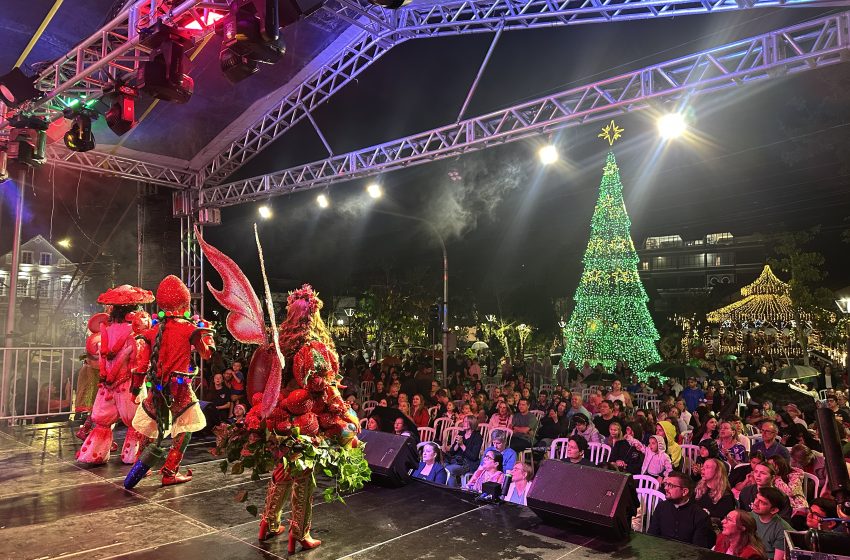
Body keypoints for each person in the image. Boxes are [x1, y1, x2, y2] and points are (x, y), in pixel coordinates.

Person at [127, 277, 215, 487]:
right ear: (185, 304)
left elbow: (141, 366)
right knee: (186, 427)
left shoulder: (153, 331)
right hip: (180, 388)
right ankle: (169, 471)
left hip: (156, 387)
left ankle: (141, 466)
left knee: (150, 425)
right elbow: (206, 354)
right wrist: (208, 335)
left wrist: (135, 389)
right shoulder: (189, 329)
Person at [78, 285, 154, 466]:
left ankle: (94, 453)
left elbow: (101, 355)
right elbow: (139, 360)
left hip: (107, 384)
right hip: (127, 383)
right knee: (135, 421)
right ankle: (131, 455)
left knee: (102, 422)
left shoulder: (106, 329)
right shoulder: (135, 334)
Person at [648, 471, 715, 548]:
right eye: (666, 484)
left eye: (670, 485)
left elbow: (698, 550)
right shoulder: (661, 507)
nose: (665, 488)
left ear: (684, 491)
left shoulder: (700, 515)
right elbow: (652, 536)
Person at [750, 487, 792, 560]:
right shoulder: (752, 515)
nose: (755, 503)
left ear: (773, 510)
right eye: (756, 498)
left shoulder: (782, 529)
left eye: (762, 502)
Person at [445, 415, 483, 488]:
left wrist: (462, 445)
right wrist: (458, 444)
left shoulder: (477, 437)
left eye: (466, 422)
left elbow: (473, 457)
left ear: (472, 423)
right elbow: (452, 451)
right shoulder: (461, 433)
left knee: (449, 469)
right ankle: (453, 486)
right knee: (443, 466)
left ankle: (453, 491)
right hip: (457, 460)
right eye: (463, 421)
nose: (463, 423)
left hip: (468, 464)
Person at [695, 458, 736, 522]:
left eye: (707, 467)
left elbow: (724, 520)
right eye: (703, 466)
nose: (702, 469)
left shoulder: (726, 496)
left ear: (717, 471)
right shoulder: (698, 488)